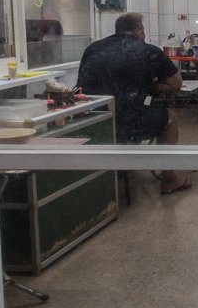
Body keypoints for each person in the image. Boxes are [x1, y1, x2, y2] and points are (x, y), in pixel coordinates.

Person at [77, 12, 191, 195]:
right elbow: (175, 84)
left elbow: (82, 87)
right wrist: (152, 86)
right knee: (170, 117)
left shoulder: (93, 49)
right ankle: (169, 179)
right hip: (131, 122)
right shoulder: (148, 50)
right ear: (139, 31)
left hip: (96, 122)